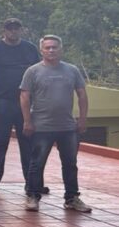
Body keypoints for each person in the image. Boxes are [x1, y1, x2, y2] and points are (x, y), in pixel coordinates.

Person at [21, 35, 92, 213]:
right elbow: (24, 96)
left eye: (54, 47)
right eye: (47, 48)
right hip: (41, 126)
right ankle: (32, 196)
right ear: (41, 50)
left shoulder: (72, 70)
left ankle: (72, 198)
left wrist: (82, 119)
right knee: (37, 163)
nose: (51, 50)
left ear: (61, 49)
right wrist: (27, 121)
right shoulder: (33, 71)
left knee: (70, 163)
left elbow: (82, 95)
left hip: (67, 127)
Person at [0, 18, 41, 194]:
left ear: (21, 30)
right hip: (1, 102)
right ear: (3, 31)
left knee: (27, 141)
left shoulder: (30, 49)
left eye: (16, 28)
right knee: (0, 141)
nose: (13, 32)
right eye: (9, 29)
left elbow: (37, 72)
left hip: (25, 102)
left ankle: (31, 181)